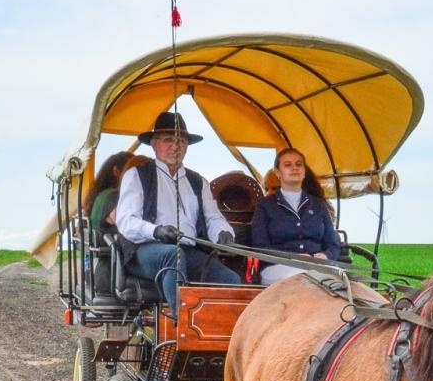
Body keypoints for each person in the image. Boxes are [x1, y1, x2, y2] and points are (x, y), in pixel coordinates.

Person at [115, 111, 239, 313]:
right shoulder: (137, 175)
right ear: (154, 144)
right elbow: (126, 221)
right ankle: (180, 326)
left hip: (188, 251)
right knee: (173, 255)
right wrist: (156, 231)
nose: (175, 146)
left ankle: (223, 337)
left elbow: (213, 218)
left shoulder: (198, 181)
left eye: (181, 141)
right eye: (168, 140)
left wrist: (224, 233)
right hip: (145, 251)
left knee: (231, 279)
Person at [252, 147, 342, 284]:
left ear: (304, 171)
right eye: (287, 165)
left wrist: (325, 255)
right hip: (276, 267)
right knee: (305, 277)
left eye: (299, 164)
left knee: (346, 283)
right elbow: (261, 246)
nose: (294, 168)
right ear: (278, 173)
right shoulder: (265, 205)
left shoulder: (318, 205)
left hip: (318, 267)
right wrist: (293, 257)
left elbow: (333, 244)